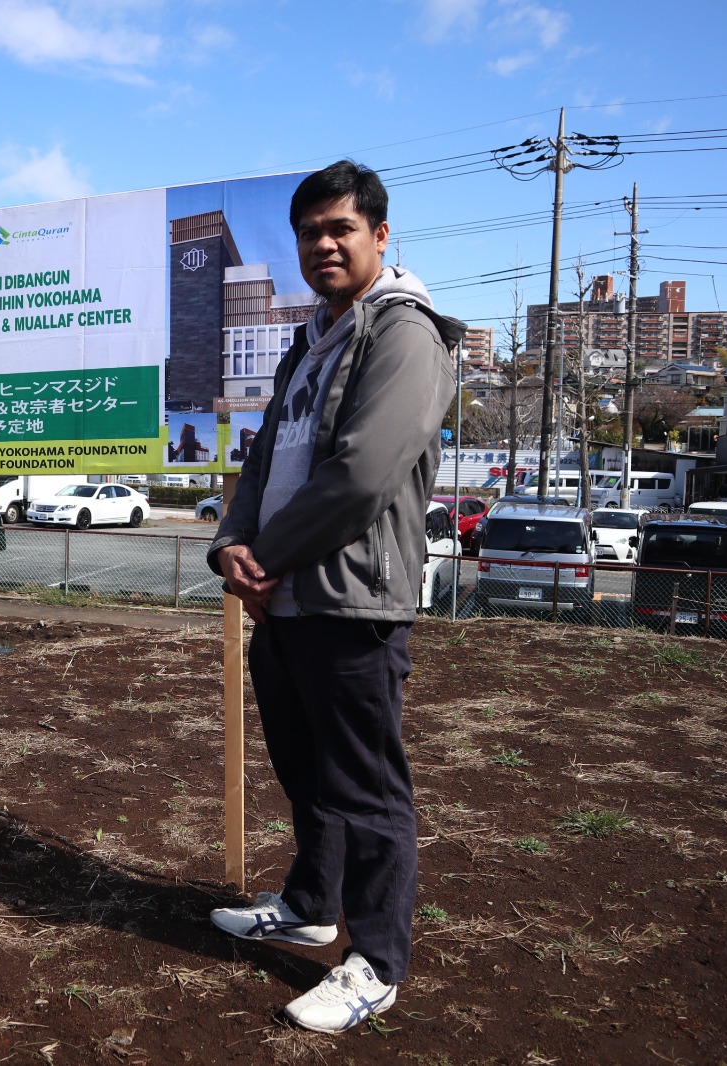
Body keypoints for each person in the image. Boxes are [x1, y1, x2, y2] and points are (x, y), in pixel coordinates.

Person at [205, 161, 463, 1033]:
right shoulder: (310, 340)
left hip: (353, 601)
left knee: (368, 789)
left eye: (340, 229)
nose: (322, 244)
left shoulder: (405, 334)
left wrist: (265, 556)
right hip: (284, 598)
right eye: (310, 231)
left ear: (379, 237)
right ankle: (312, 904)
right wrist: (230, 547)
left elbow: (361, 476)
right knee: (307, 775)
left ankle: (377, 961)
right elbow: (263, 460)